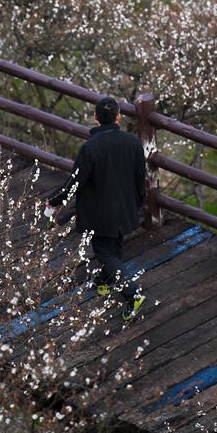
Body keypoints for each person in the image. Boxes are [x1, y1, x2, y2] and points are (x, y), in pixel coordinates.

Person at [44, 96, 147, 321]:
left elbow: (75, 182)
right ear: (118, 117)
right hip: (126, 206)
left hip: (101, 212)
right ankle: (105, 281)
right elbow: (141, 178)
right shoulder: (133, 143)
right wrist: (137, 203)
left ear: (95, 118)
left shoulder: (91, 148)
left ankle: (132, 293)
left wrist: (54, 201)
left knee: (104, 251)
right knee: (115, 246)